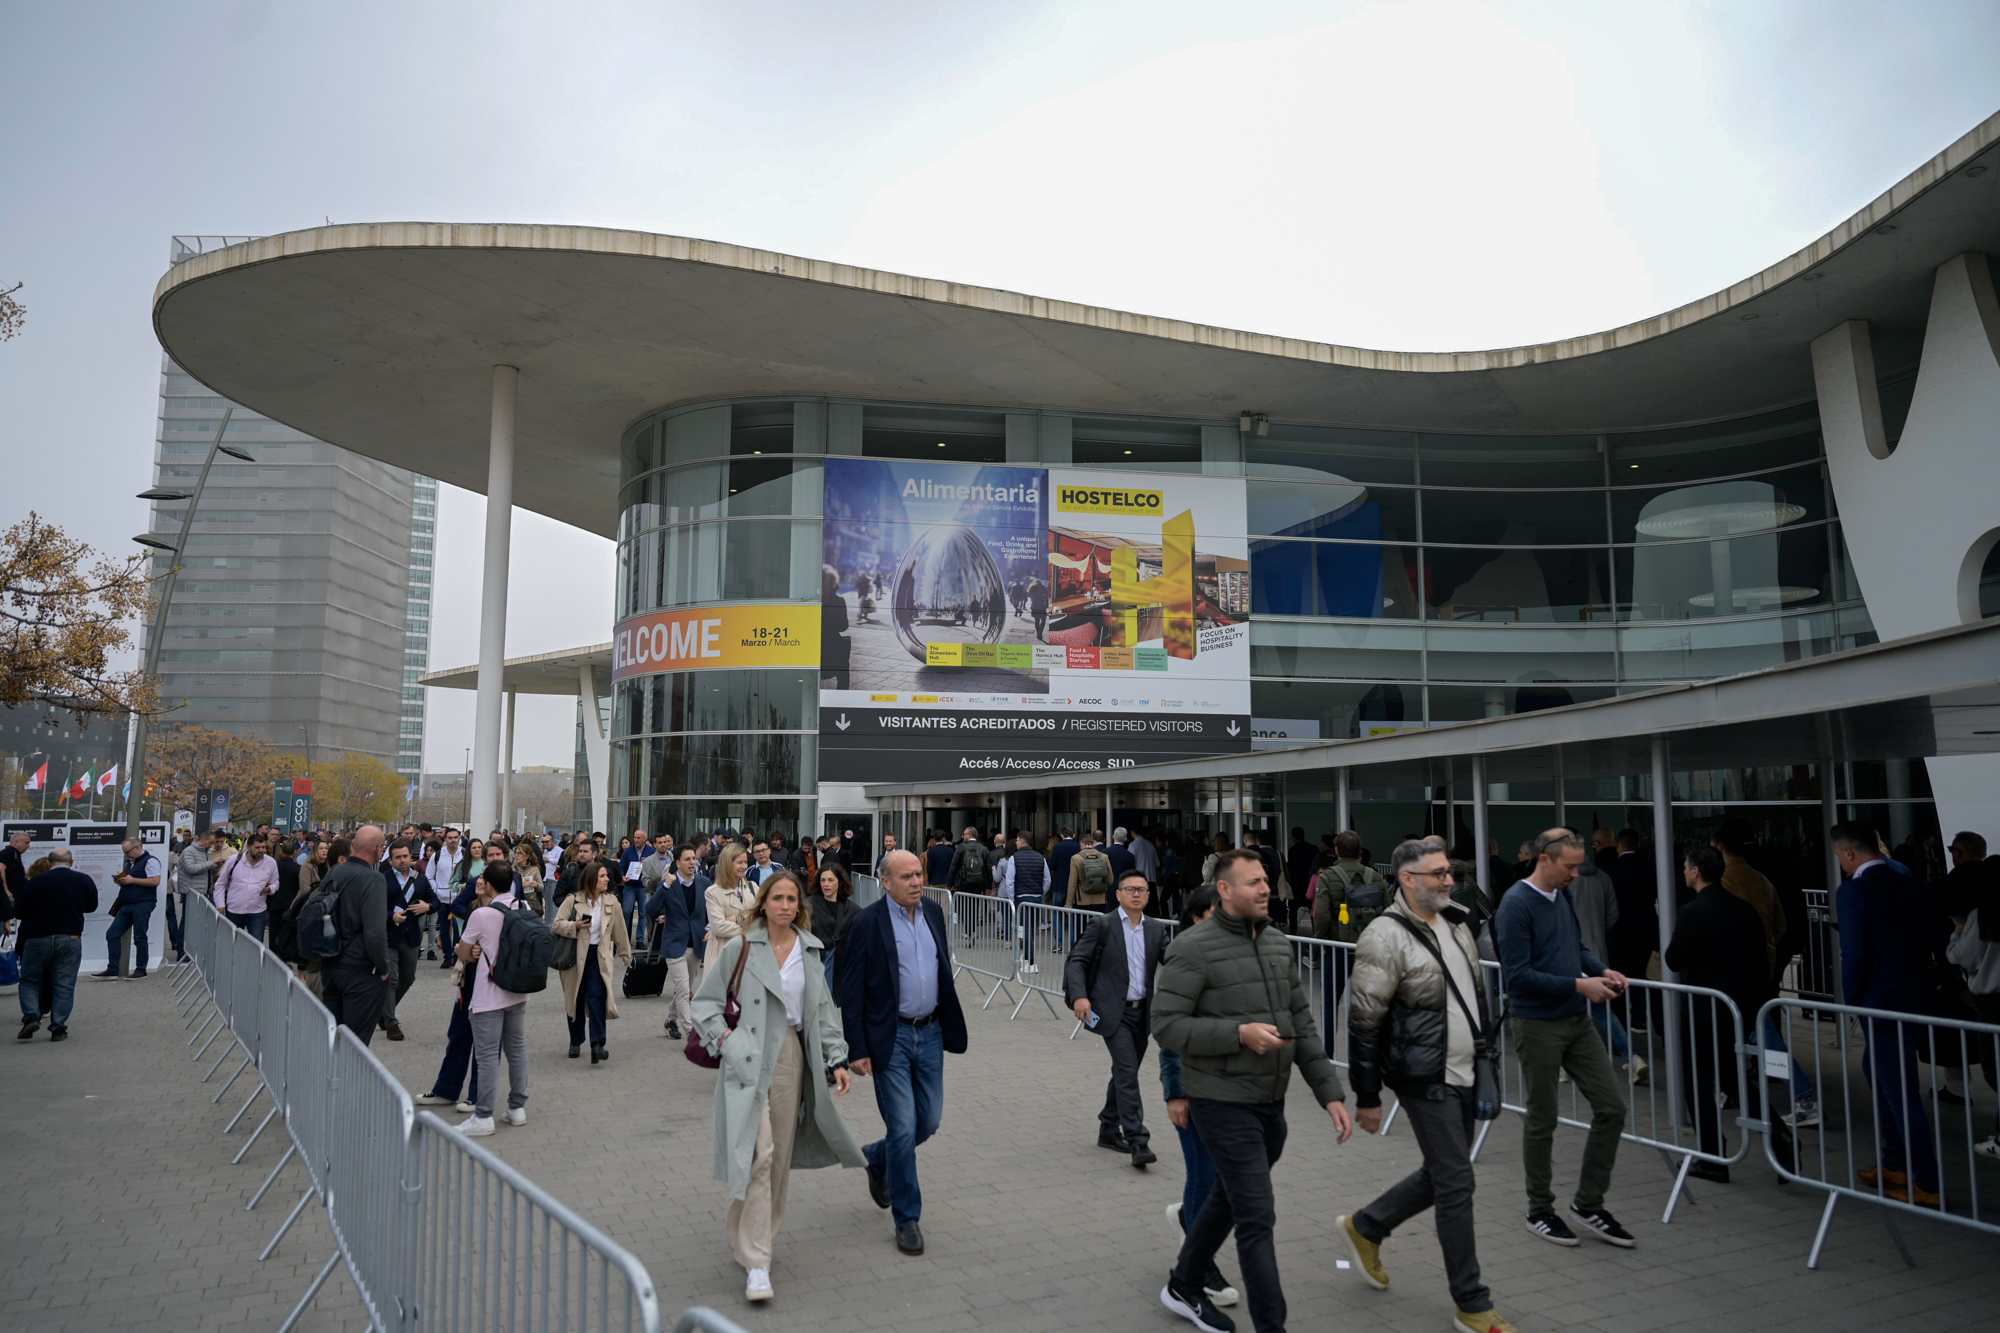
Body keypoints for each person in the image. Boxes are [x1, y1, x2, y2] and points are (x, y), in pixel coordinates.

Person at [1152, 847, 1353, 1333]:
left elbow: (1301, 1023)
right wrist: (1237, 1034)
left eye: (1266, 879)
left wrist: (1330, 1092)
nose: (1266, 888)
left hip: (1271, 1101)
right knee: (1257, 1216)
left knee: (1228, 1195)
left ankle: (1183, 1282)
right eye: (1253, 882)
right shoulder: (1193, 947)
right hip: (1220, 1102)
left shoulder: (1279, 944)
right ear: (1224, 890)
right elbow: (1166, 1024)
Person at [1338, 836, 1514, 1333]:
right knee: (1457, 1180)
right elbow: (1365, 1022)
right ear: (1408, 879)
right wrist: (1367, 1096)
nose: (1448, 879)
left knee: (1442, 1173)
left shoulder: (1457, 921)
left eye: (1448, 872)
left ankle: (1366, 1225)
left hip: (1466, 1070)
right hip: (1423, 1077)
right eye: (1437, 873)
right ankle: (1472, 1303)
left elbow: (1471, 996)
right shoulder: (1383, 935)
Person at [694, 870, 864, 1302]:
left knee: (778, 1159)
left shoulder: (809, 952)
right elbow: (705, 1004)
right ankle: (758, 1262)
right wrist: (727, 1044)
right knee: (759, 1155)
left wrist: (836, 1058)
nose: (785, 905)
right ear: (763, 903)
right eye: (778, 898)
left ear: (799, 907)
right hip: (747, 1056)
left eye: (792, 899)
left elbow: (822, 1012)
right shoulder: (741, 948)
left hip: (791, 1057)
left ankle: (747, 1234)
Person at [1492, 828, 1634, 1248]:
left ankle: (1588, 1203)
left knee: (1611, 1108)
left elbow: (1577, 948)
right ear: (1544, 860)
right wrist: (1578, 984)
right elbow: (1517, 976)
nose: (1576, 873)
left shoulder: (1563, 895)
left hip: (1575, 1019)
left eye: (1578, 864)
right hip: (1537, 1023)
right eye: (1570, 866)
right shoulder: (1516, 904)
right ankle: (1540, 1210)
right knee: (1542, 1118)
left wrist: (1599, 971)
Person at [839, 848, 968, 1257]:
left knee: (926, 1122)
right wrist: (856, 1048)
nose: (916, 882)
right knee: (902, 1127)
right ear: (886, 882)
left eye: (919, 874)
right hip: (889, 1037)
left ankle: (876, 1158)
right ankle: (907, 1218)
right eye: (907, 877)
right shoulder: (866, 923)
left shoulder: (932, 912)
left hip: (929, 1034)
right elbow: (851, 990)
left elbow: (939, 966)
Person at [1832, 820, 1949, 1207]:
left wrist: (1849, 1000)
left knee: (1900, 1093)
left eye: (1839, 856)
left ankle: (1927, 1182)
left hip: (1881, 1003)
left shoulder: (1854, 892)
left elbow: (1855, 953)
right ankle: (1895, 1162)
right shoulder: (1909, 882)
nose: (1840, 863)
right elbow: (1937, 934)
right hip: (1915, 997)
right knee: (1879, 1074)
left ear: (1849, 853)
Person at [1664, 845, 1781, 1182]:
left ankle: (1714, 1156)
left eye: (1686, 867)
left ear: (1696, 871)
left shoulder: (1693, 912)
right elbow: (1762, 961)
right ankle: (1781, 1137)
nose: (1684, 871)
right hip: (1739, 1006)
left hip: (1703, 1009)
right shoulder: (1745, 911)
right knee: (1733, 1076)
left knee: (1699, 1081)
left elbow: (1674, 959)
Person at [1156, 886, 1240, 1312]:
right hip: (1195, 1087)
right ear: (1195, 919)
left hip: (1236, 1088)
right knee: (1205, 1177)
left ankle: (1192, 1224)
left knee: (1224, 1180)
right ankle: (1197, 1268)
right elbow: (1171, 1033)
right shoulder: (1184, 959)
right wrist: (1176, 1093)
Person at [1065, 869, 1168, 1168]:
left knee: (1127, 1072)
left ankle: (1108, 1129)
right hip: (1113, 1013)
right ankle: (1138, 1140)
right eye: (1130, 889)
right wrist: (1079, 996)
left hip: (1142, 1014)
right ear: (1119, 894)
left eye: (1142, 889)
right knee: (1127, 1073)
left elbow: (1174, 961)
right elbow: (1077, 961)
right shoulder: (1103, 924)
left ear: (1149, 896)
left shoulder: (1156, 929)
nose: (1136, 893)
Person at [453, 860, 532, 1136]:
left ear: (486, 882)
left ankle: (484, 1115)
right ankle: (516, 1108)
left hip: (488, 995)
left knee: (487, 1057)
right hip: (518, 991)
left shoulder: (482, 915)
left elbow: (462, 953)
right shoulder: (524, 908)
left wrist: (472, 949)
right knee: (517, 1050)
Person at [1566, 836, 1640, 1082]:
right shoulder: (1603, 877)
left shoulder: (1563, 881)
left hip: (1569, 955)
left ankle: (1564, 1064)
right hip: (1597, 953)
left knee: (1563, 1009)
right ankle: (1632, 1056)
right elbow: (1613, 915)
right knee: (1603, 1012)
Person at [553, 859, 634, 1063]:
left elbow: (620, 932)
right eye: (603, 876)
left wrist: (627, 956)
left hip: (599, 957)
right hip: (575, 957)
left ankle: (598, 1044)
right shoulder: (573, 900)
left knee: (597, 996)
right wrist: (575, 925)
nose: (608, 879)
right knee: (576, 998)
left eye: (607, 876)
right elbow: (557, 924)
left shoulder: (611, 902)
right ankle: (576, 1040)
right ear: (591, 879)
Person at [320, 825, 392, 1044]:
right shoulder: (374, 879)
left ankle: (329, 1077)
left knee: (334, 1038)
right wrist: (383, 968)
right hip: (360, 969)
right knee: (356, 1045)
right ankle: (347, 1079)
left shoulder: (334, 871)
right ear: (379, 849)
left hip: (330, 963)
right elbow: (375, 932)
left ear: (353, 845)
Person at [15, 849, 97, 1041]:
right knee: (64, 984)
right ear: (72, 862)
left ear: (50, 863)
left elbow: (19, 910)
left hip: (37, 938)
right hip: (70, 938)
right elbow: (91, 907)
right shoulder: (84, 880)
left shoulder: (36, 881)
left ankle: (31, 1016)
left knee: (29, 980)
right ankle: (58, 1027)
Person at [1945, 873, 2000, 1160]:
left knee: (1995, 1069)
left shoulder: (1982, 915)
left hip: (1993, 999)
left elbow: (1963, 957)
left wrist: (1956, 933)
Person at [645, 844, 709, 1042]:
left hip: (696, 944)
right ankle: (691, 1032)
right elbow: (650, 910)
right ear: (677, 863)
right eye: (688, 859)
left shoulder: (704, 882)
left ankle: (670, 1021)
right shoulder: (668, 884)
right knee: (683, 990)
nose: (692, 862)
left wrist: (710, 928)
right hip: (674, 944)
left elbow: (711, 911)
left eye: (694, 859)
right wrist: (665, 886)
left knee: (684, 989)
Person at [380, 838, 440, 1041]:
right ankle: (391, 1023)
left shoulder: (419, 879)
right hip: (389, 936)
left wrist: (428, 907)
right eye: (398, 857)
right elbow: (373, 908)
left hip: (412, 936)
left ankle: (384, 1011)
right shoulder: (382, 878)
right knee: (391, 979)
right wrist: (390, 916)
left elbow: (435, 901)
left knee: (408, 978)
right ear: (391, 860)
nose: (403, 860)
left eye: (406, 856)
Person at [94, 836, 163, 980]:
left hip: (143, 903)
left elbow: (155, 881)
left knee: (140, 937)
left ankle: (141, 970)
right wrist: (121, 880)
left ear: (137, 848)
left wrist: (132, 880)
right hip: (127, 904)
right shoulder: (131, 863)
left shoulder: (151, 860)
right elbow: (131, 879)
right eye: (125, 852)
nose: (126, 855)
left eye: (127, 852)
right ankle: (113, 969)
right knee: (112, 934)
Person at [212, 830, 280, 942]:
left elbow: (275, 883)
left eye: (263, 847)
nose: (261, 850)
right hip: (234, 911)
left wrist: (270, 889)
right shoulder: (234, 860)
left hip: (257, 912)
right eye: (258, 847)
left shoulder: (270, 862)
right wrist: (220, 904)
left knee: (256, 946)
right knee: (231, 944)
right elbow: (221, 884)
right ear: (248, 847)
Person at [706, 842, 758, 968]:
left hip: (751, 953)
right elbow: (719, 927)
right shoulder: (713, 892)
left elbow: (762, 918)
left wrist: (737, 918)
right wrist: (750, 928)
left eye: (745, 862)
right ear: (728, 864)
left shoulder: (752, 888)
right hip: (724, 954)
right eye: (739, 862)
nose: (744, 866)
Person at [811, 862, 857, 993]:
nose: (826, 884)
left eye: (831, 880)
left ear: (840, 882)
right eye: (823, 880)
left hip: (841, 969)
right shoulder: (809, 906)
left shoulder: (852, 910)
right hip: (815, 966)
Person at [1068, 831, 1115, 912]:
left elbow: (1072, 883)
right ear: (1093, 844)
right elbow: (1110, 880)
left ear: (1081, 844)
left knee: (1081, 924)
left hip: (1082, 900)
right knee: (1099, 924)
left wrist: (1069, 902)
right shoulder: (1104, 857)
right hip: (1100, 900)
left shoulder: (1076, 858)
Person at [620, 828, 651, 945]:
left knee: (643, 913)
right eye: (635, 837)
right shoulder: (628, 851)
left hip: (643, 886)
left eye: (639, 838)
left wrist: (647, 862)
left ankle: (640, 940)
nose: (636, 840)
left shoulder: (651, 851)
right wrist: (622, 876)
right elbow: (621, 866)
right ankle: (624, 939)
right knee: (626, 911)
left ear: (644, 839)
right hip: (630, 886)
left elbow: (655, 867)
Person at [943, 826, 990, 895]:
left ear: (970, 835)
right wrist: (988, 886)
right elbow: (988, 867)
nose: (962, 836)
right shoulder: (983, 848)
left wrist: (949, 883)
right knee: (975, 903)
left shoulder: (961, 847)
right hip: (979, 883)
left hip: (963, 882)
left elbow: (953, 865)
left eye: (964, 834)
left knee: (963, 904)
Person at [1047, 826, 1081, 908]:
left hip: (1059, 883)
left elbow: (1051, 865)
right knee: (1072, 910)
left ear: (1062, 836)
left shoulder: (1056, 847)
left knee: (1056, 910)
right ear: (1073, 835)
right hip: (1075, 884)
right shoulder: (1078, 847)